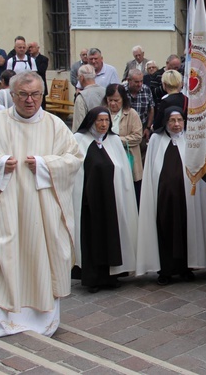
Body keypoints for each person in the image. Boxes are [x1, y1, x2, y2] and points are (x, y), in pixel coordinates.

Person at [0, 71, 83, 337]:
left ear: (43, 95)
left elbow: (74, 159)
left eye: (36, 95)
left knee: (43, 257)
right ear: (12, 95)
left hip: (42, 213)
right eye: (23, 95)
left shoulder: (55, 126)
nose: (30, 101)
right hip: (3, 210)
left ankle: (41, 320)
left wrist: (43, 164)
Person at [136, 107, 206, 284]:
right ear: (165, 122)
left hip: (187, 199)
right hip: (163, 199)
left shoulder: (190, 139)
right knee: (165, 231)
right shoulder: (156, 139)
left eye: (180, 120)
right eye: (172, 121)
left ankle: (186, 267)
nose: (176, 124)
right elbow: (151, 171)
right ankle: (165, 270)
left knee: (186, 230)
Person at [72, 107, 138, 293]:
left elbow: (123, 170)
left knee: (112, 235)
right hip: (89, 202)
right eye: (99, 121)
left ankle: (111, 276)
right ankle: (92, 278)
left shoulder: (115, 141)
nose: (103, 125)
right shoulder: (79, 140)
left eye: (106, 121)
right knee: (92, 238)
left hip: (112, 200)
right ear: (91, 122)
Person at [104, 84, 143, 199]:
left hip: (128, 158)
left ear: (123, 99)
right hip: (109, 159)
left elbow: (137, 136)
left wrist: (117, 140)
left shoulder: (131, 114)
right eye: (109, 100)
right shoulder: (103, 113)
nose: (112, 103)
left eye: (116, 100)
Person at [72, 64, 106, 132]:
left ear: (81, 78)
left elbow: (78, 124)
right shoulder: (106, 91)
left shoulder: (81, 97)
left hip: (89, 137)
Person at [124, 69, 155, 141]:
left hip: (142, 127)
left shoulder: (146, 90)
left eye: (141, 81)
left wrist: (148, 128)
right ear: (128, 80)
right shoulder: (122, 90)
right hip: (126, 128)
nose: (140, 84)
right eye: (136, 82)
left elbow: (151, 109)